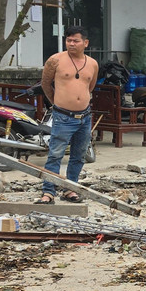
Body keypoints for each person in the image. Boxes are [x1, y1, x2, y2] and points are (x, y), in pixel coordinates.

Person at [37, 26, 98, 204]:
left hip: (85, 117)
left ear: (85, 43)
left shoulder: (92, 63)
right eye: (68, 40)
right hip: (63, 116)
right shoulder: (55, 60)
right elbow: (46, 84)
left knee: (78, 155)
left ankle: (70, 189)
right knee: (55, 154)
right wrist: (57, 102)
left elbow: (90, 86)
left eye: (75, 40)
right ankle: (48, 192)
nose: (71, 44)